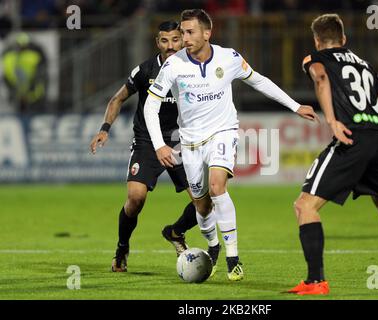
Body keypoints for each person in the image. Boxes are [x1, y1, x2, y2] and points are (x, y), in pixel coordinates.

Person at [144, 9, 319, 281]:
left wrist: (295, 105)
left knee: (217, 186)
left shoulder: (230, 58)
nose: (184, 38)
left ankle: (233, 257)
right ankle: (213, 247)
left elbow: (258, 80)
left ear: (206, 33)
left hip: (223, 132)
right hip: (190, 141)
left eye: (190, 32)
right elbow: (150, 106)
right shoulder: (174, 65)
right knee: (201, 206)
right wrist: (159, 145)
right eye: (183, 32)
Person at [287, 14, 378, 295]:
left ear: (317, 40)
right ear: (344, 39)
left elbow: (320, 79)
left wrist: (333, 121)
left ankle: (315, 281)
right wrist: (370, 122)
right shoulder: (365, 65)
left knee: (304, 205)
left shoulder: (315, 58)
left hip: (352, 139)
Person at [89, 21, 221, 273]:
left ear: (183, 40)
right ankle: (122, 248)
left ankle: (175, 231)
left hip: (182, 142)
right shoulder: (145, 70)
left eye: (175, 39)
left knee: (204, 204)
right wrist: (104, 129)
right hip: (147, 142)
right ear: (157, 42)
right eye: (164, 41)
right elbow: (117, 98)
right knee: (135, 198)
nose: (170, 46)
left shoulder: (193, 68)